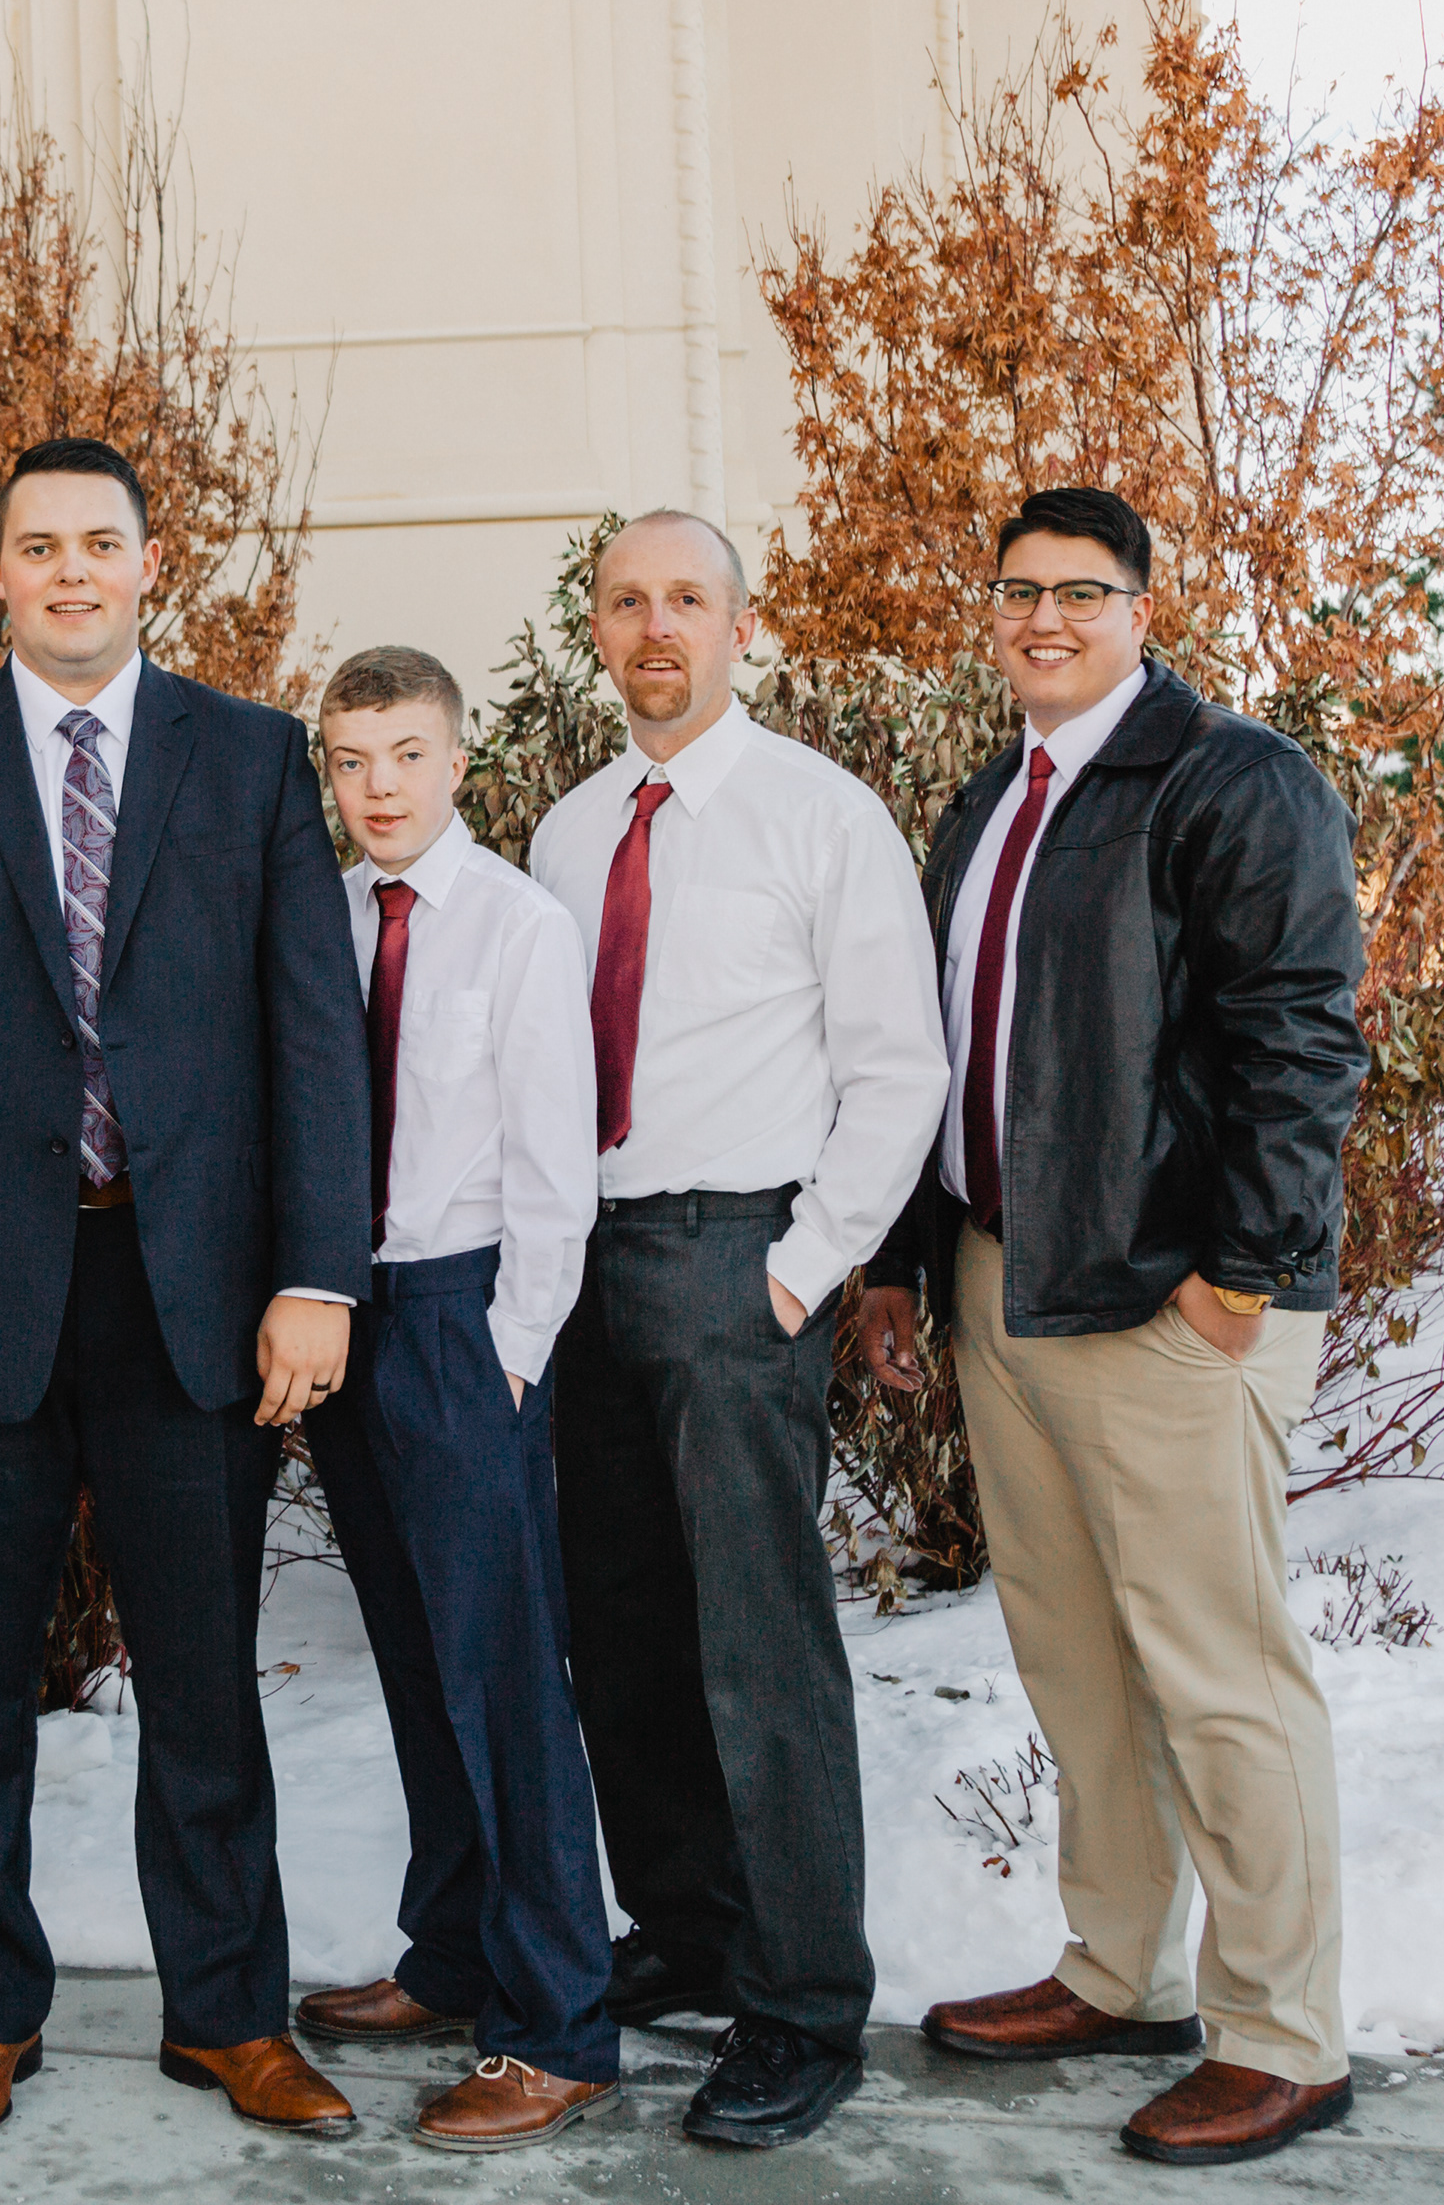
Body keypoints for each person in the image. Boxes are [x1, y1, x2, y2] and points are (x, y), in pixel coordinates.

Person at [0, 436, 369, 2143]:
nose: (69, 571)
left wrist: (317, 1276)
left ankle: (230, 2014)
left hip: (190, 1289)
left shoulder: (251, 757)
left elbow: (313, 1037)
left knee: (203, 1681)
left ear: (147, 564)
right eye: (37, 545)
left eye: (98, 543)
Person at [860, 485, 1368, 2170]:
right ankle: (1119, 1970)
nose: (1046, 618)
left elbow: (1301, 1040)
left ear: (1141, 610)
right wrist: (908, 1262)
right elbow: (950, 1054)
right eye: (1020, 590)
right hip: (1006, 1278)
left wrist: (1243, 1273)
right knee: (1077, 1659)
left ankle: (1283, 2036)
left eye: (1082, 591)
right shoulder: (989, 799)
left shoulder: (1234, 781)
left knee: (1220, 1673)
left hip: (1170, 1297)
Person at [525, 511, 946, 2151]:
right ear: (600, 629)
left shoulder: (819, 816)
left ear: (738, 626)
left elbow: (898, 1068)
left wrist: (804, 1268)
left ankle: (803, 2004)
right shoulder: (572, 832)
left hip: (733, 1258)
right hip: (589, 1263)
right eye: (627, 601)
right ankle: (691, 1928)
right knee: (623, 1630)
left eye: (686, 599)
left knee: (759, 1647)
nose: (656, 629)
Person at [291, 648, 620, 2153]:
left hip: (460, 1317)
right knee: (419, 1661)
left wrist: (511, 1351)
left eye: (407, 755)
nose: (380, 788)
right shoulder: (326, 918)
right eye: (352, 760)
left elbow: (557, 1164)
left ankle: (557, 2029)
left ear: (458, 759)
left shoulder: (516, 924)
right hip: (344, 1314)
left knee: (504, 1678)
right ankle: (453, 1954)